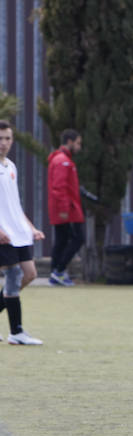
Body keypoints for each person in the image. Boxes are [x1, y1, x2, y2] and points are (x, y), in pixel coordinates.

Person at [0, 120, 44, 345]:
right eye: (0, 139)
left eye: (7, 138)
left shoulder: (11, 167)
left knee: (30, 274)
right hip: (2, 235)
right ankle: (16, 332)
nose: (4, 143)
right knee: (14, 276)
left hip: (17, 233)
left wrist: (31, 227)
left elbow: (14, 205)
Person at [47, 128, 85, 287]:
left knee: (62, 240)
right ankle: (59, 271)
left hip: (62, 208)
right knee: (79, 238)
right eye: (78, 143)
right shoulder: (63, 161)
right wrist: (64, 209)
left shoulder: (60, 159)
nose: (79, 147)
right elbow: (59, 187)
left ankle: (55, 272)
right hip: (67, 210)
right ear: (69, 142)